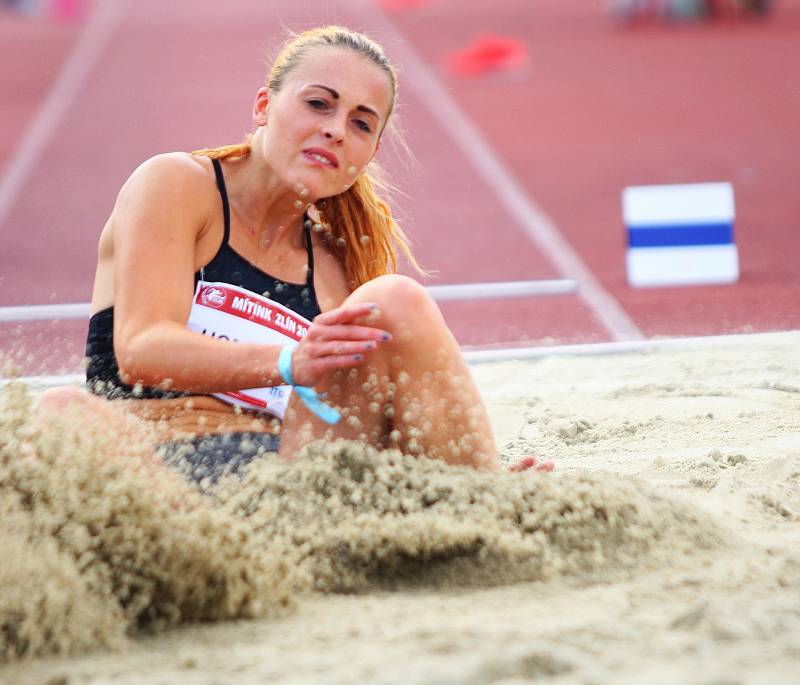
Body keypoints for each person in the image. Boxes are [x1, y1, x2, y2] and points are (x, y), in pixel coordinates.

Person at [41, 26, 551, 481]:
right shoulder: (177, 185)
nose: (334, 129)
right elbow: (140, 349)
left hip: (284, 484)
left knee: (396, 300)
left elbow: (363, 419)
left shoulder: (338, 269)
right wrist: (288, 359)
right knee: (62, 411)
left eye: (361, 123)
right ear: (264, 105)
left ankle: (481, 497)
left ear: (368, 155)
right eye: (319, 104)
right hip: (152, 467)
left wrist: (480, 467)